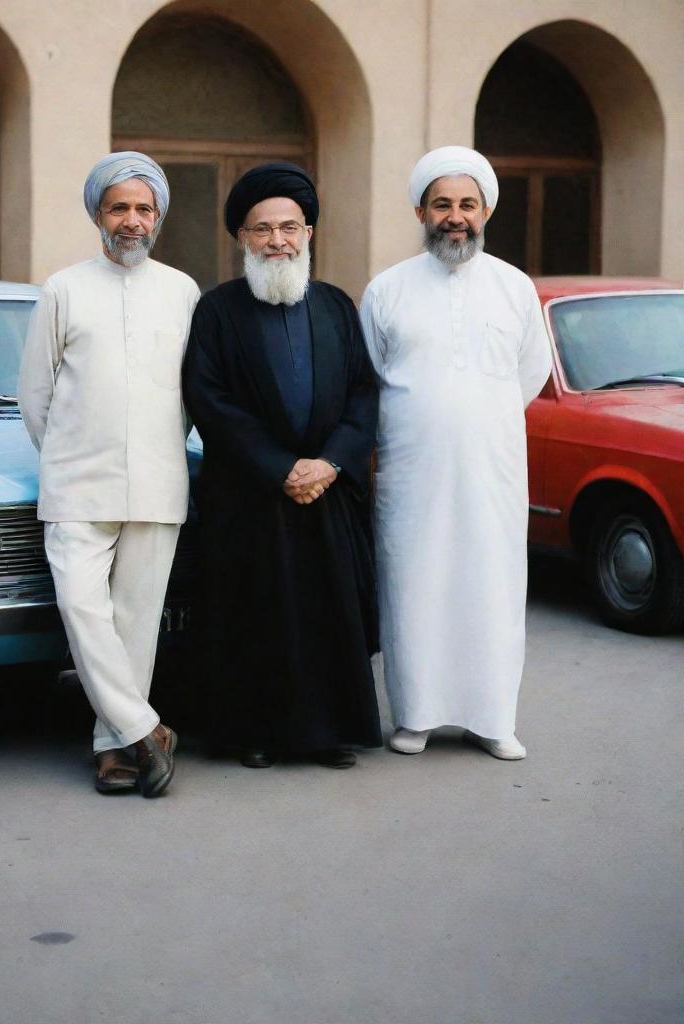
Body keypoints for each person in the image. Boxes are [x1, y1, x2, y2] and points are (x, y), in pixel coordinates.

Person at [182, 162, 382, 769]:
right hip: (251, 499)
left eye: (289, 227)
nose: (278, 240)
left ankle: (330, 734)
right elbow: (209, 401)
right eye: (262, 229)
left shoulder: (336, 306)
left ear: (309, 234)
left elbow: (363, 393)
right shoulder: (217, 311)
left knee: (328, 616)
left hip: (328, 492)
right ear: (242, 237)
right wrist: (280, 468)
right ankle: (255, 733)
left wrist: (330, 463)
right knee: (257, 618)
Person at [358, 145, 552, 760]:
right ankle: (414, 715)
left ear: (486, 209)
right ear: (421, 209)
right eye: (442, 203)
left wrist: (476, 420)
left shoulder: (515, 288)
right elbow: (368, 376)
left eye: (467, 204)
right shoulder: (387, 289)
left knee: (492, 586)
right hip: (412, 470)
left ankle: (492, 718)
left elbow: (531, 371)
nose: (455, 216)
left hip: (492, 469)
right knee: (413, 586)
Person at [18, 152, 200, 796]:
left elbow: (186, 395)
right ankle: (147, 728)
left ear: (159, 218)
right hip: (75, 484)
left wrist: (156, 449)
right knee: (81, 609)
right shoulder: (64, 287)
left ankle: (114, 749)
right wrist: (70, 452)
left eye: (143, 209)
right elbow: (34, 395)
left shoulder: (182, 290)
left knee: (135, 624)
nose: (131, 221)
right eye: (118, 207)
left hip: (157, 482)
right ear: (98, 214)